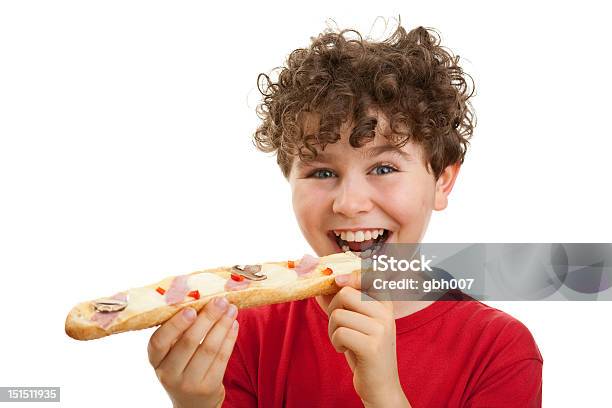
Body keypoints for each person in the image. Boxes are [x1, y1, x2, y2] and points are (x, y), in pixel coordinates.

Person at [147, 21, 543, 407]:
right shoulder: (242, 334)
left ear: (442, 181)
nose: (349, 204)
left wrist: (384, 393)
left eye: (384, 169)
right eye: (322, 172)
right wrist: (196, 404)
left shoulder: (500, 351)